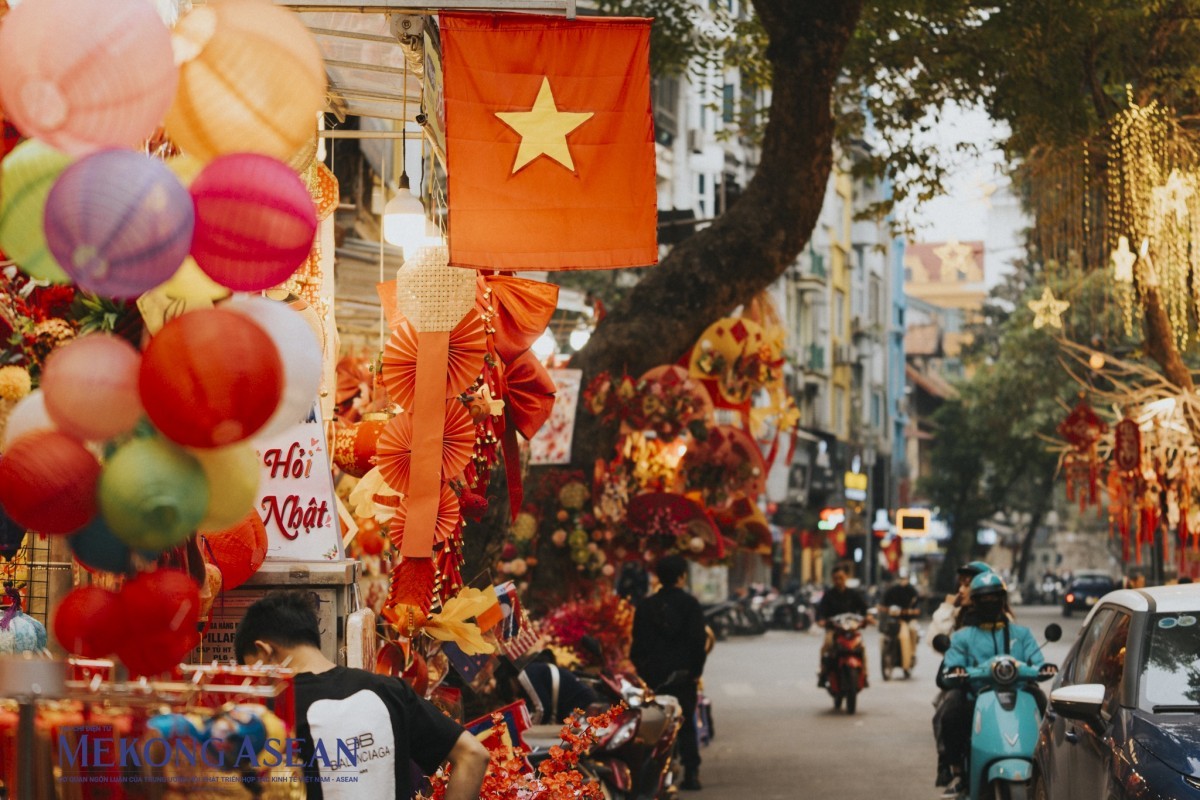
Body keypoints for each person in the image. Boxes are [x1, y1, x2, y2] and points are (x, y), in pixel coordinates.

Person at [234, 591, 489, 800]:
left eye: (252, 670)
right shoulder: (390, 690)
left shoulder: (271, 712)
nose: (256, 682)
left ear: (264, 650)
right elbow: (473, 755)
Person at [935, 573, 1046, 793]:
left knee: (1046, 706)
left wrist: (1042, 669)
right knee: (950, 712)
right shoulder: (962, 637)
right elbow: (951, 666)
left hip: (1019, 693)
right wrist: (957, 671)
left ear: (1002, 599)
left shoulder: (1021, 634)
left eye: (994, 597)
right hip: (975, 697)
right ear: (974, 602)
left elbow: (1037, 661)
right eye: (983, 598)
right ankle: (957, 772)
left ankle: (1046, 765)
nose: (989, 602)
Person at [629, 555, 708, 792]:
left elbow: (637, 645)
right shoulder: (691, 605)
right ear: (682, 576)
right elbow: (698, 643)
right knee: (685, 724)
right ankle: (691, 773)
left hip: (654, 677)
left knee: (655, 725)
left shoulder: (645, 606)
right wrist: (695, 672)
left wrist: (644, 670)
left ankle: (654, 774)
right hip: (683, 676)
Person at [815, 566, 871, 688]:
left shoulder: (853, 594)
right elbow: (820, 612)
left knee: (862, 647)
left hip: (851, 630)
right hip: (834, 630)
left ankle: (865, 674)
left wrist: (868, 617)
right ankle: (823, 673)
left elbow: (864, 609)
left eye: (841, 578)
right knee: (826, 646)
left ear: (846, 578)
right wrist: (821, 621)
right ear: (832, 579)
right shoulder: (828, 595)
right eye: (836, 578)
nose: (838, 580)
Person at [878, 572, 920, 670]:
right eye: (901, 578)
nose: (903, 580)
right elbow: (884, 602)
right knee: (883, 636)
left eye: (905, 578)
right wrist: (882, 608)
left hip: (907, 620)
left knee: (912, 629)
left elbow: (917, 604)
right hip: (893, 620)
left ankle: (912, 654)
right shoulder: (892, 590)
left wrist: (912, 611)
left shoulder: (912, 591)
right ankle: (886, 657)